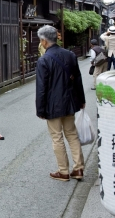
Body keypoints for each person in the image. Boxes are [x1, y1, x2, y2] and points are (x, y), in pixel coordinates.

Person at [35, 25, 86, 181]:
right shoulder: (70, 55)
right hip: (70, 102)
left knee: (57, 137)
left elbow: (41, 88)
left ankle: (63, 171)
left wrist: (40, 109)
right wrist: (81, 99)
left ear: (44, 41)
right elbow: (78, 78)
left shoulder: (44, 60)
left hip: (53, 105)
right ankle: (78, 169)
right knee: (71, 134)